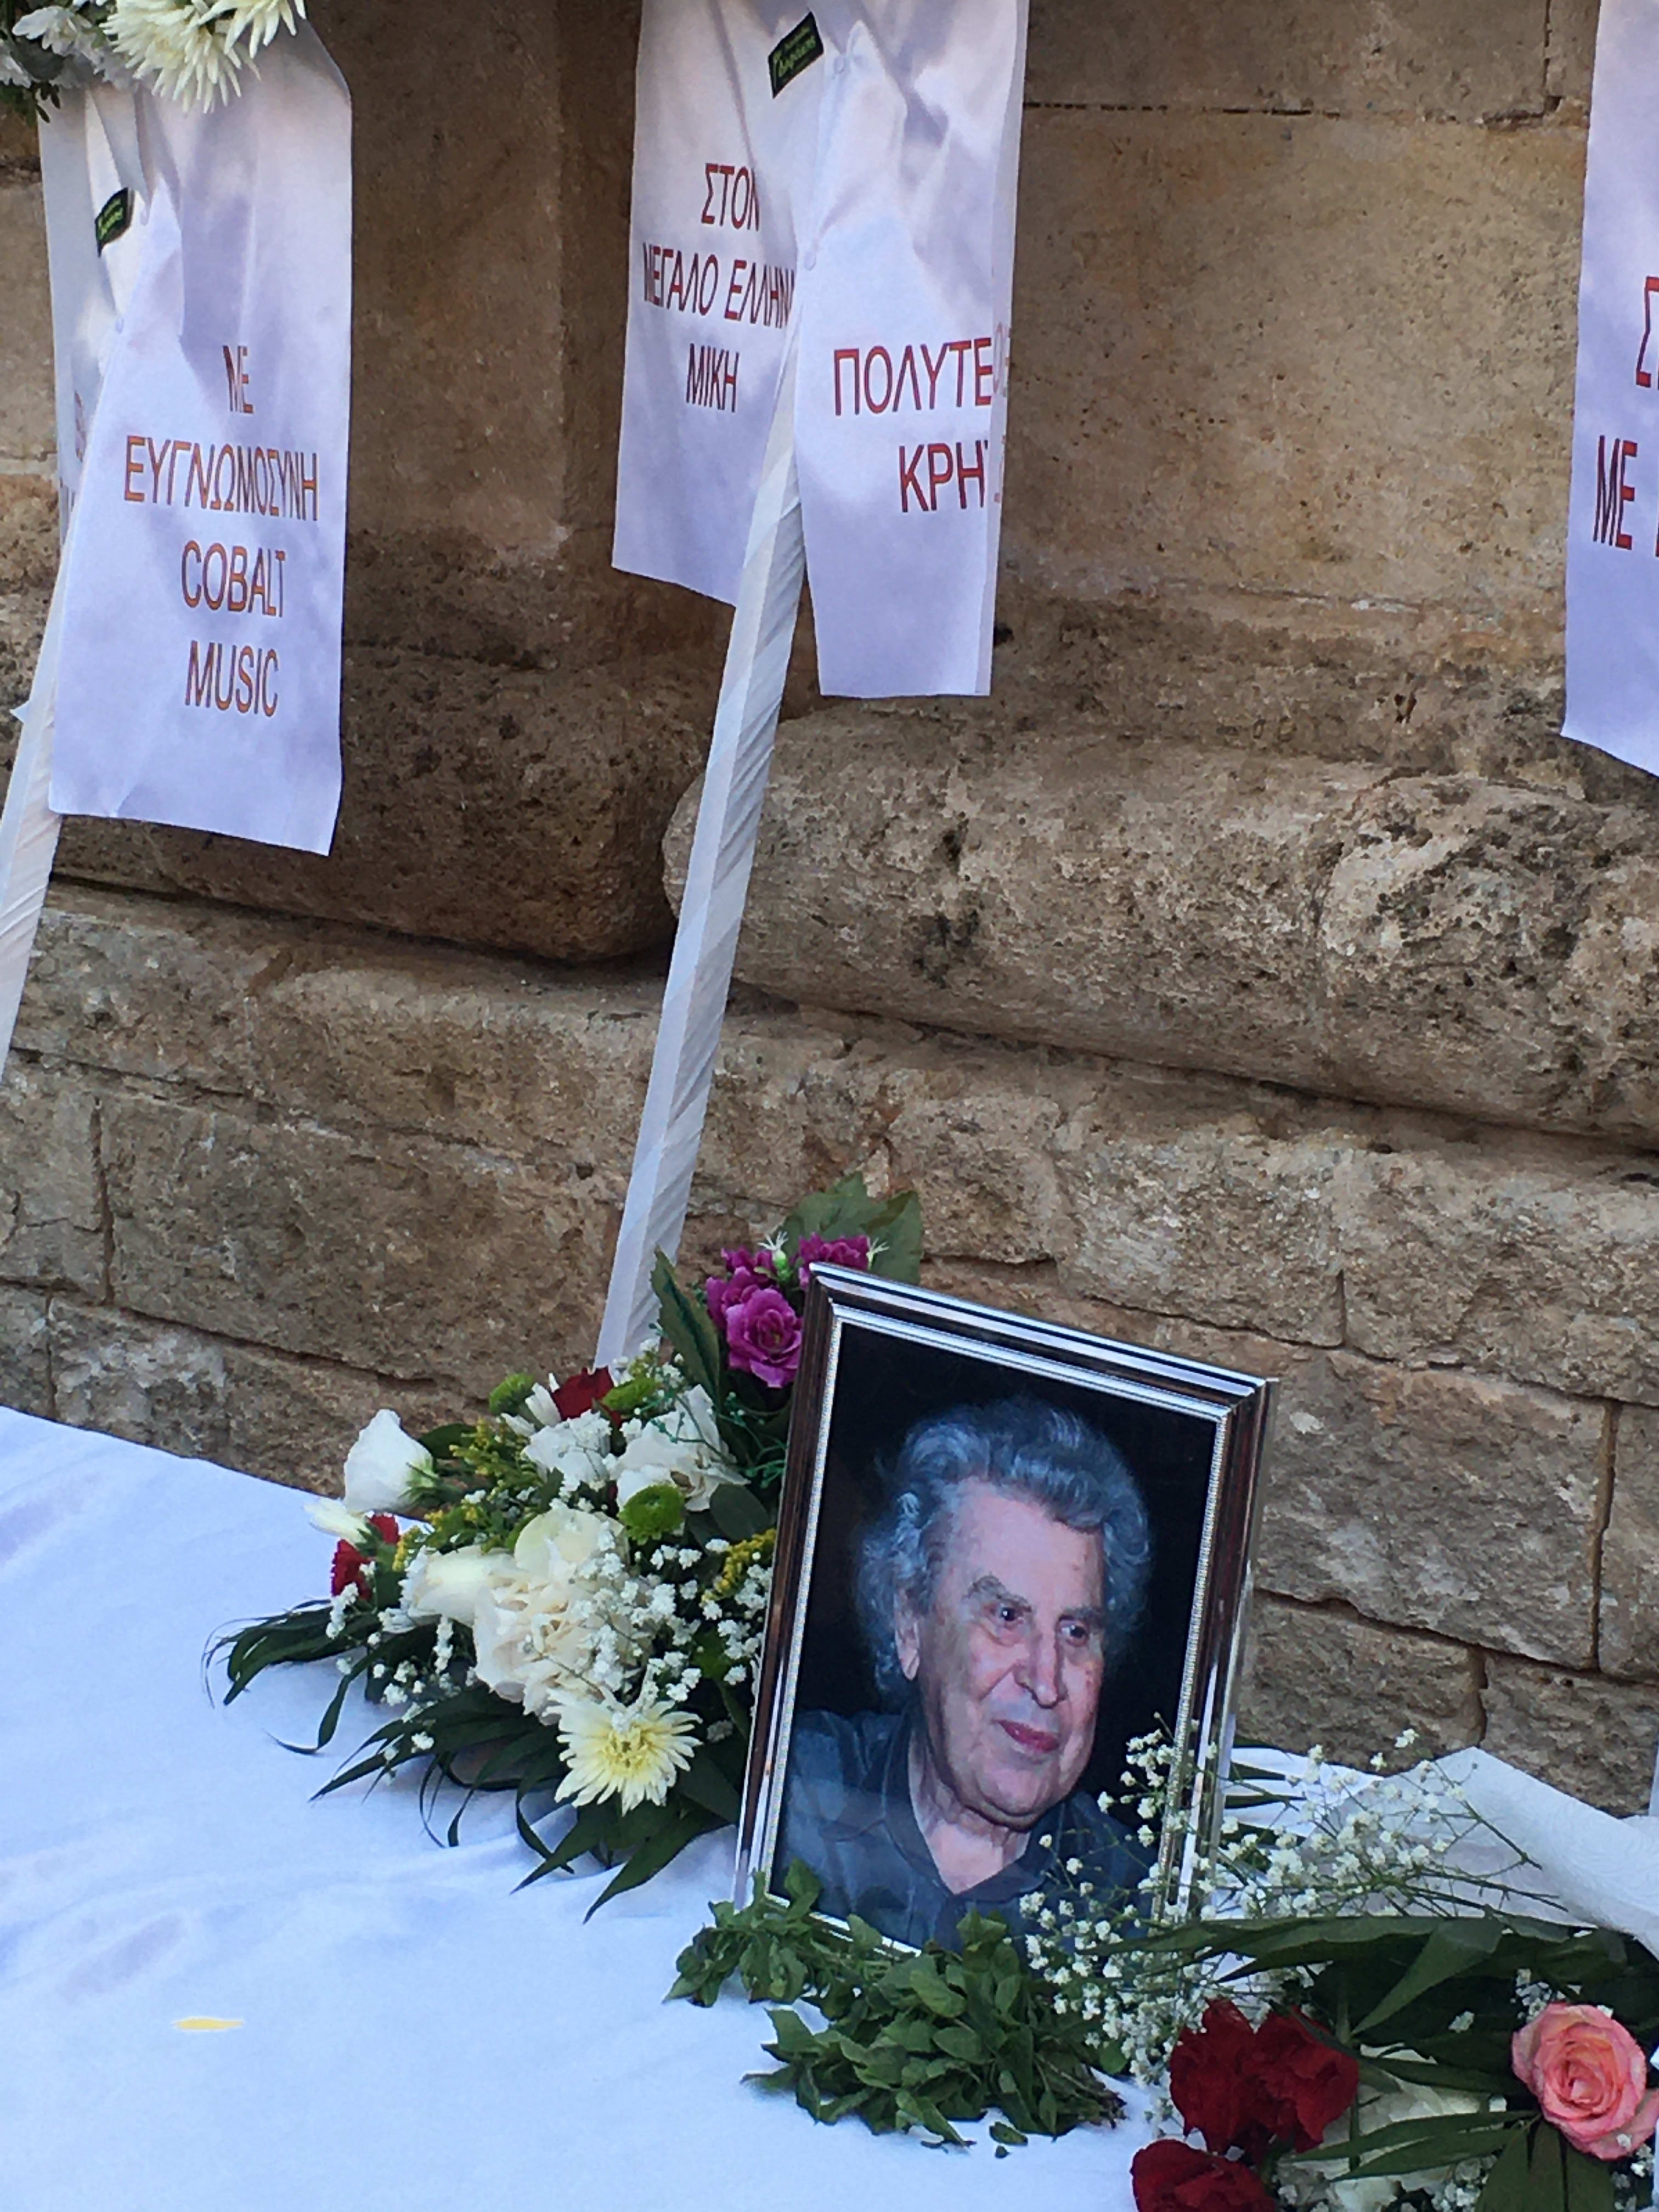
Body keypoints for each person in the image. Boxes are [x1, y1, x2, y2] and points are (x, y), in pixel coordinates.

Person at [776, 1395, 1154, 1950]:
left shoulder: (1138, 1913)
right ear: (910, 1623)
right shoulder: (791, 1791)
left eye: (1076, 1632)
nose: (1046, 1682)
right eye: (1007, 1617)